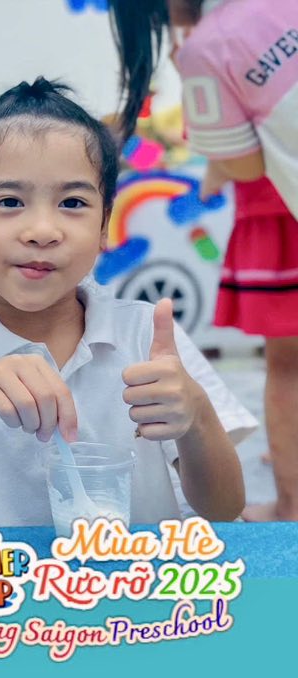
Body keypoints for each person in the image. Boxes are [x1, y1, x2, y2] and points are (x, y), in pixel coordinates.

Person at [0, 78, 255, 527]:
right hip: (3, 573)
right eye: (10, 201)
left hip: (139, 570)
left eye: (72, 202)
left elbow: (225, 507)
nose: (43, 231)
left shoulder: (146, 335)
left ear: (104, 225)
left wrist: (196, 416)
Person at [109, 0, 298, 521]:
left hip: (279, 212)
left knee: (287, 365)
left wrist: (193, 66)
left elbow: (244, 163)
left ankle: (291, 503)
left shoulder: (208, 46)